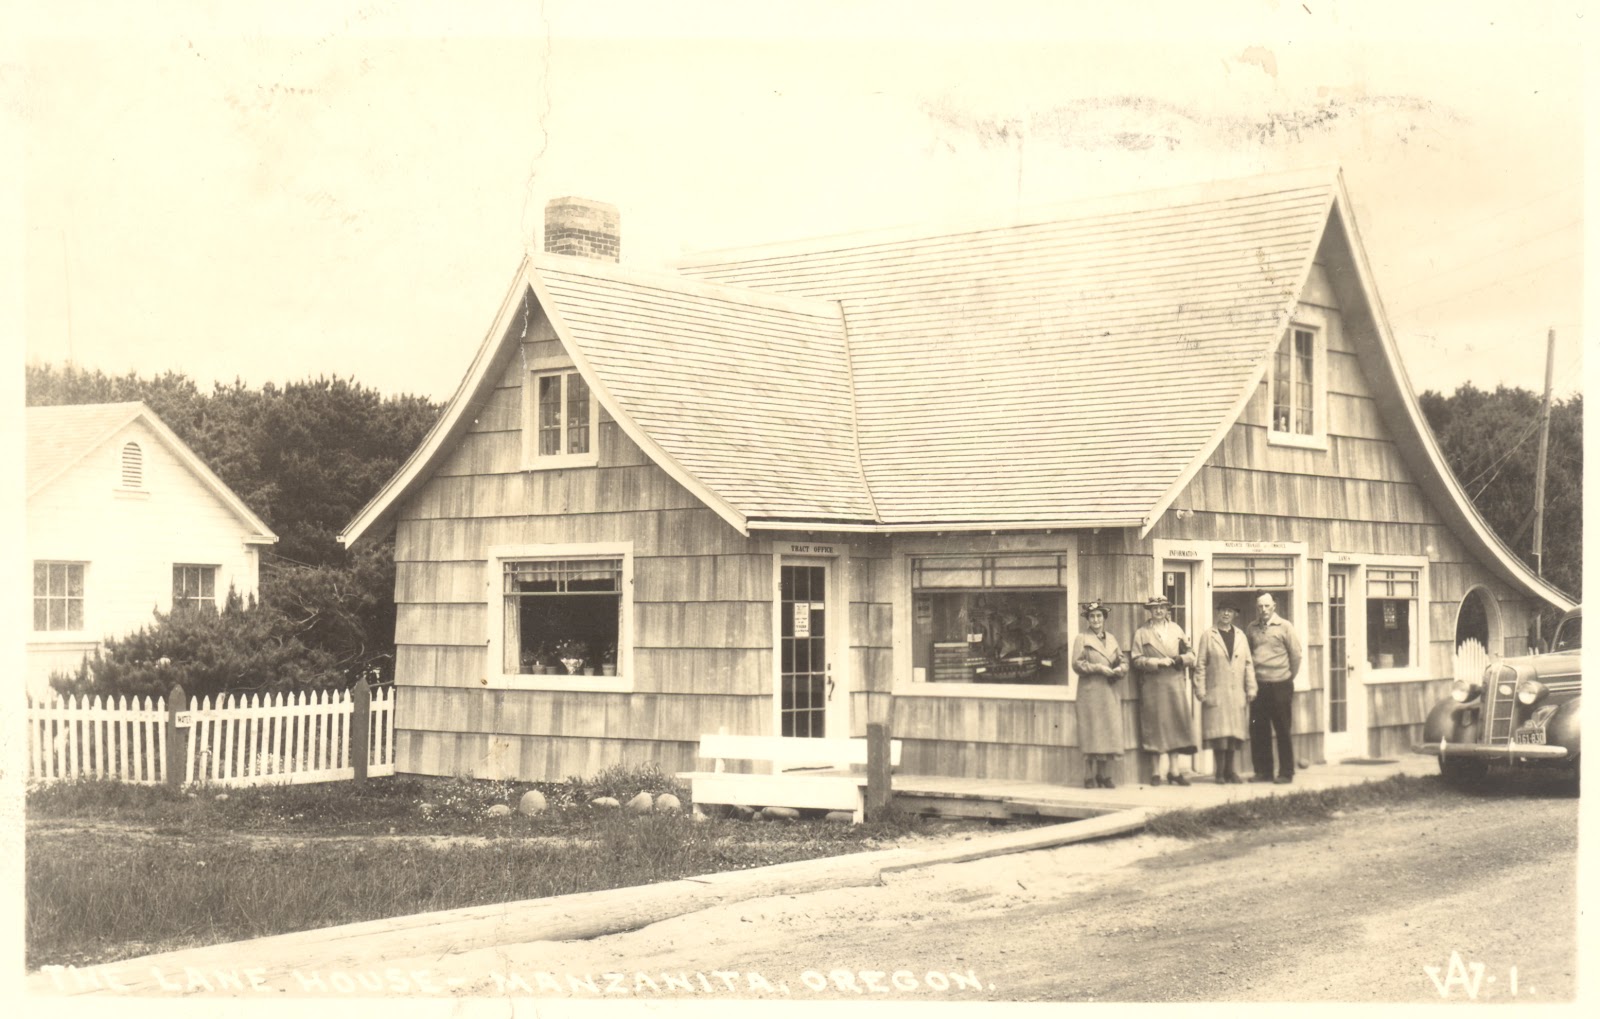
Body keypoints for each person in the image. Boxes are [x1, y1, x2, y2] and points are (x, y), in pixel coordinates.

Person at [1132, 594, 1197, 786]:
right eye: (1155, 608)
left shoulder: (1176, 630)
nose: (1159, 611)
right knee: (1155, 726)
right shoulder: (1142, 633)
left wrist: (1180, 660)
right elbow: (1136, 659)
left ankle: (1174, 771)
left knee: (1175, 724)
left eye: (1162, 607)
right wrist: (1156, 662)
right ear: (1150, 611)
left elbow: (1191, 654)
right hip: (1153, 685)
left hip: (1174, 683)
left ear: (1167, 609)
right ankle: (1155, 772)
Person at [1194, 603, 1256, 784]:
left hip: (1237, 692)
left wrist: (1251, 688)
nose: (1226, 614)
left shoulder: (1240, 636)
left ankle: (1232, 771)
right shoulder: (1208, 636)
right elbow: (1201, 665)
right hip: (1216, 691)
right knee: (1219, 734)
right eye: (1223, 611)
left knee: (1234, 733)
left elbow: (1248, 664)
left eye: (1230, 611)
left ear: (1235, 614)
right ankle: (1219, 772)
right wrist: (1200, 689)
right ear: (1218, 613)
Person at [1070, 598, 1128, 789]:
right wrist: (1098, 668)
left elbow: (1122, 660)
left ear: (1104, 618)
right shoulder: (1082, 639)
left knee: (1107, 731)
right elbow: (1077, 664)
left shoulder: (1111, 638)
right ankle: (1088, 776)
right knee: (1091, 732)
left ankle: (1104, 775)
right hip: (1090, 691)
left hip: (1109, 691)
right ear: (1088, 619)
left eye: (1099, 616)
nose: (1096, 620)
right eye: (1092, 616)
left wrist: (1121, 670)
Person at [1246, 591, 1303, 784]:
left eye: (1267, 606)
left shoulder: (1285, 627)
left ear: (1274, 606)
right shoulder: (1252, 628)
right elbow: (1249, 656)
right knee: (1259, 730)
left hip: (1280, 685)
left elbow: (1296, 656)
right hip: (1259, 685)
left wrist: (1287, 678)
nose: (1263, 610)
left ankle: (1286, 773)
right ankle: (1263, 772)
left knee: (1282, 730)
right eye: (1260, 607)